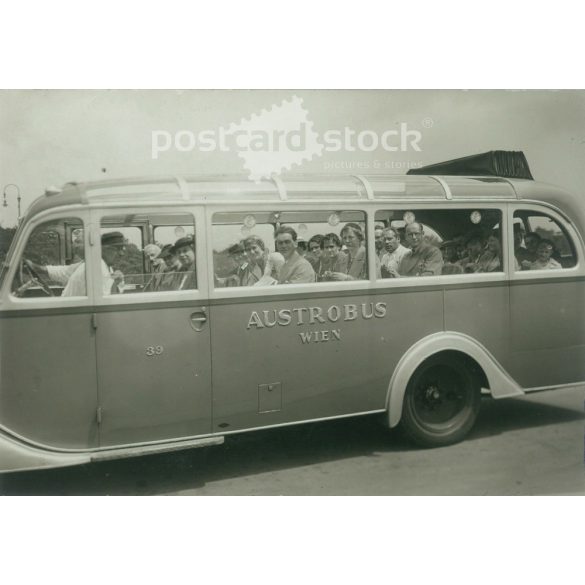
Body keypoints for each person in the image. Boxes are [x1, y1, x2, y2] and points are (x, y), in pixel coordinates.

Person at [24, 231, 126, 296]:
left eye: (78, 242)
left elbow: (63, 272)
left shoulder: (99, 266)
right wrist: (35, 267)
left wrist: (116, 283)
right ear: (102, 249)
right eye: (117, 249)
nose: (122, 253)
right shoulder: (96, 266)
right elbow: (107, 306)